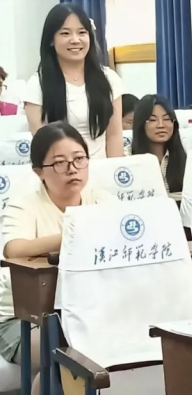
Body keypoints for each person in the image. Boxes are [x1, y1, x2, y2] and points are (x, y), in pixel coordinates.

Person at [0, 122, 114, 393]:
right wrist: (75, 235)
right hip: (22, 320)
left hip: (87, 314)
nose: (72, 169)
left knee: (79, 350)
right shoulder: (23, 205)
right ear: (38, 171)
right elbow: (13, 249)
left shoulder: (103, 201)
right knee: (68, 353)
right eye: (60, 163)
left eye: (79, 159)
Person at [23, 3, 124, 159]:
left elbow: (114, 136)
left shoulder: (109, 79)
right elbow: (42, 146)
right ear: (51, 40)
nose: (75, 40)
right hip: (60, 170)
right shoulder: (37, 85)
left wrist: (113, 170)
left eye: (82, 32)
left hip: (102, 169)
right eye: (65, 33)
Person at [131, 94, 186, 193]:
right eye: (152, 120)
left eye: (167, 119)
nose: (161, 125)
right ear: (141, 124)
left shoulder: (185, 159)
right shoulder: (128, 158)